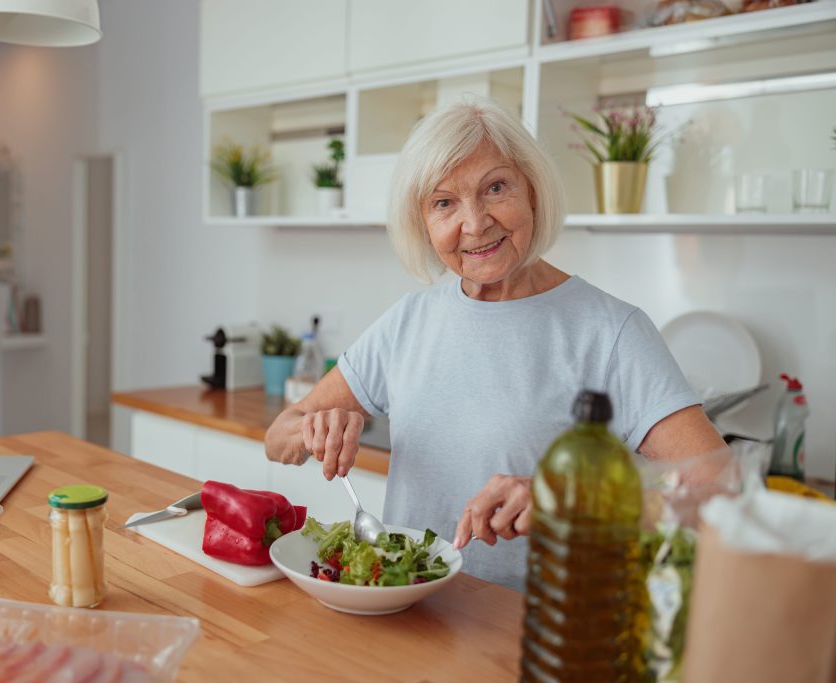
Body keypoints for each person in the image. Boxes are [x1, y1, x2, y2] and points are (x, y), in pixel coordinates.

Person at [263, 99, 725, 591]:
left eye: (496, 188)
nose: (476, 223)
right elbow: (278, 437)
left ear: (531, 190)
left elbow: (718, 492)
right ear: (423, 222)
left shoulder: (610, 331)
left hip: (537, 632)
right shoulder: (408, 322)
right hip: (406, 617)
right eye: (444, 203)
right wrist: (318, 427)